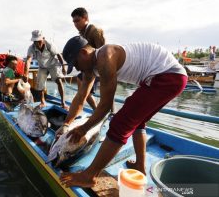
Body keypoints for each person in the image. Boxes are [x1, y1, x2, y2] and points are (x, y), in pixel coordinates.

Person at [59, 36, 188, 188]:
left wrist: (83, 128)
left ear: (83, 53)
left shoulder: (105, 57)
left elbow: (106, 105)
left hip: (168, 76)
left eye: (76, 63)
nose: (77, 68)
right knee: (137, 119)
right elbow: (81, 97)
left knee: (120, 124)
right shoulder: (90, 68)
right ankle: (140, 167)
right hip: (164, 77)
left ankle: (89, 176)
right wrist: (66, 124)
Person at [71, 7, 108, 111]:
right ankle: (94, 109)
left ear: (86, 18)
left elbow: (102, 51)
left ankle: (100, 111)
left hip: (98, 67)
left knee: (88, 91)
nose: (75, 24)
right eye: (74, 22)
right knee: (79, 81)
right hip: (88, 68)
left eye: (77, 20)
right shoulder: (82, 33)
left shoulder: (95, 31)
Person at [25, 30, 68, 109]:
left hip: (53, 64)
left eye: (39, 41)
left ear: (43, 38)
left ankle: (63, 103)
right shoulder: (31, 48)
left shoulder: (49, 44)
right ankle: (42, 102)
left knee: (59, 81)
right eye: (35, 41)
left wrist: (63, 67)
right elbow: (28, 60)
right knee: (40, 84)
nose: (37, 43)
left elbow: (58, 55)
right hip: (42, 66)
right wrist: (26, 73)